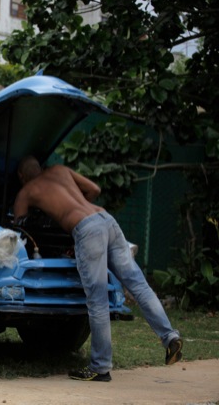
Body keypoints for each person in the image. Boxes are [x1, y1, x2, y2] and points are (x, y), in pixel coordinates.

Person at [13, 155, 183, 382]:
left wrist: (56, 214)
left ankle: (100, 367)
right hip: (105, 219)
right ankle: (170, 337)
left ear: (20, 176)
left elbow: (18, 227)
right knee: (138, 284)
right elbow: (94, 189)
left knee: (97, 300)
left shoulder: (26, 191)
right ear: (41, 167)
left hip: (86, 230)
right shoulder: (60, 169)